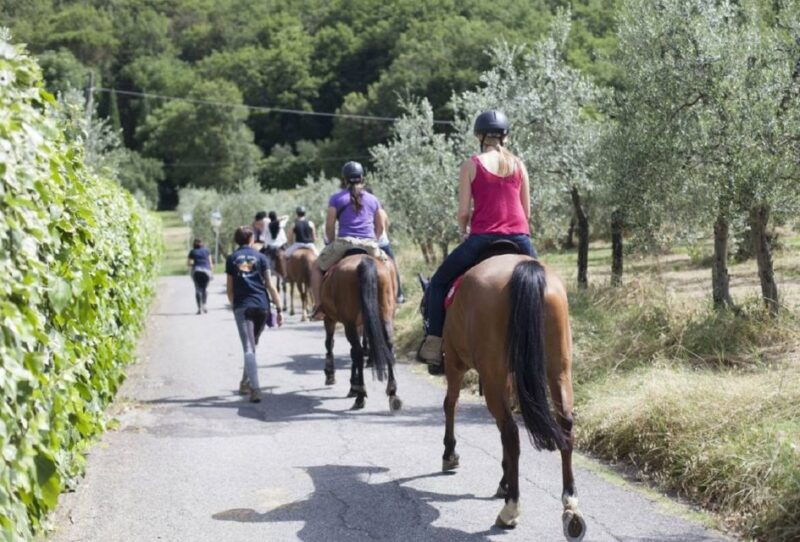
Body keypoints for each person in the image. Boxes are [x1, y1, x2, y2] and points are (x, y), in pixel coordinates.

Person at [418, 110, 538, 365]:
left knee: (438, 283)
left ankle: (434, 343)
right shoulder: (519, 165)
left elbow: (463, 211)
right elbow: (526, 211)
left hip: (483, 237)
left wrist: (463, 231)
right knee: (543, 284)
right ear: (505, 136)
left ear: (480, 136)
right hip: (519, 238)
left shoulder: (471, 164)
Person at [310, 161, 388, 319]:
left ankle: (319, 306)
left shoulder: (336, 199)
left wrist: (331, 242)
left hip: (344, 243)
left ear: (344, 179)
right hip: (369, 244)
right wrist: (374, 240)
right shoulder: (373, 199)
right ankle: (393, 301)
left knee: (316, 268)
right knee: (389, 267)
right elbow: (381, 226)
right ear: (362, 178)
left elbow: (330, 226)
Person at [226, 226, 284, 403]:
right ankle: (245, 382)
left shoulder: (231, 259)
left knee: (249, 348)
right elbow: (270, 285)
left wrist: (235, 305)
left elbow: (230, 289)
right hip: (262, 306)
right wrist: (279, 308)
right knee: (252, 345)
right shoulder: (261, 257)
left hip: (243, 307)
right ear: (251, 239)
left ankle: (255, 389)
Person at [376, 207, 405, 303]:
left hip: (368, 243)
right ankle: (399, 295)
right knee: (393, 267)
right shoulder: (381, 211)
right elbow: (387, 225)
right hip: (383, 243)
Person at [187, 238, 214, 314]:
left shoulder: (192, 252)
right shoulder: (207, 251)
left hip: (196, 271)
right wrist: (211, 272)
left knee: (198, 289)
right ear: (202, 243)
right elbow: (210, 263)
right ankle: (204, 305)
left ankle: (199, 308)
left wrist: (194, 263)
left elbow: (189, 263)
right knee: (204, 289)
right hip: (206, 271)